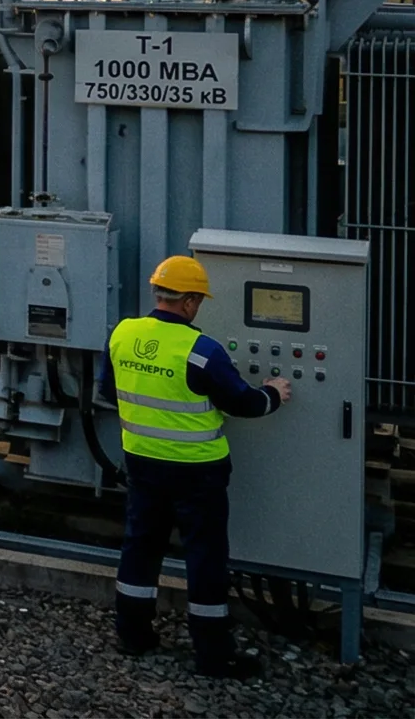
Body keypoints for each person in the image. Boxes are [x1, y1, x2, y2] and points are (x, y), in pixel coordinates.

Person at [104, 255, 289, 678]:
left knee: (140, 547)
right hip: (197, 473)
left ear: (157, 293)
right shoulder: (202, 353)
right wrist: (274, 392)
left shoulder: (122, 335)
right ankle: (214, 655)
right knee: (204, 559)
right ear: (188, 302)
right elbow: (245, 403)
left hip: (142, 463)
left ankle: (132, 634)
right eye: (198, 301)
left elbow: (107, 390)